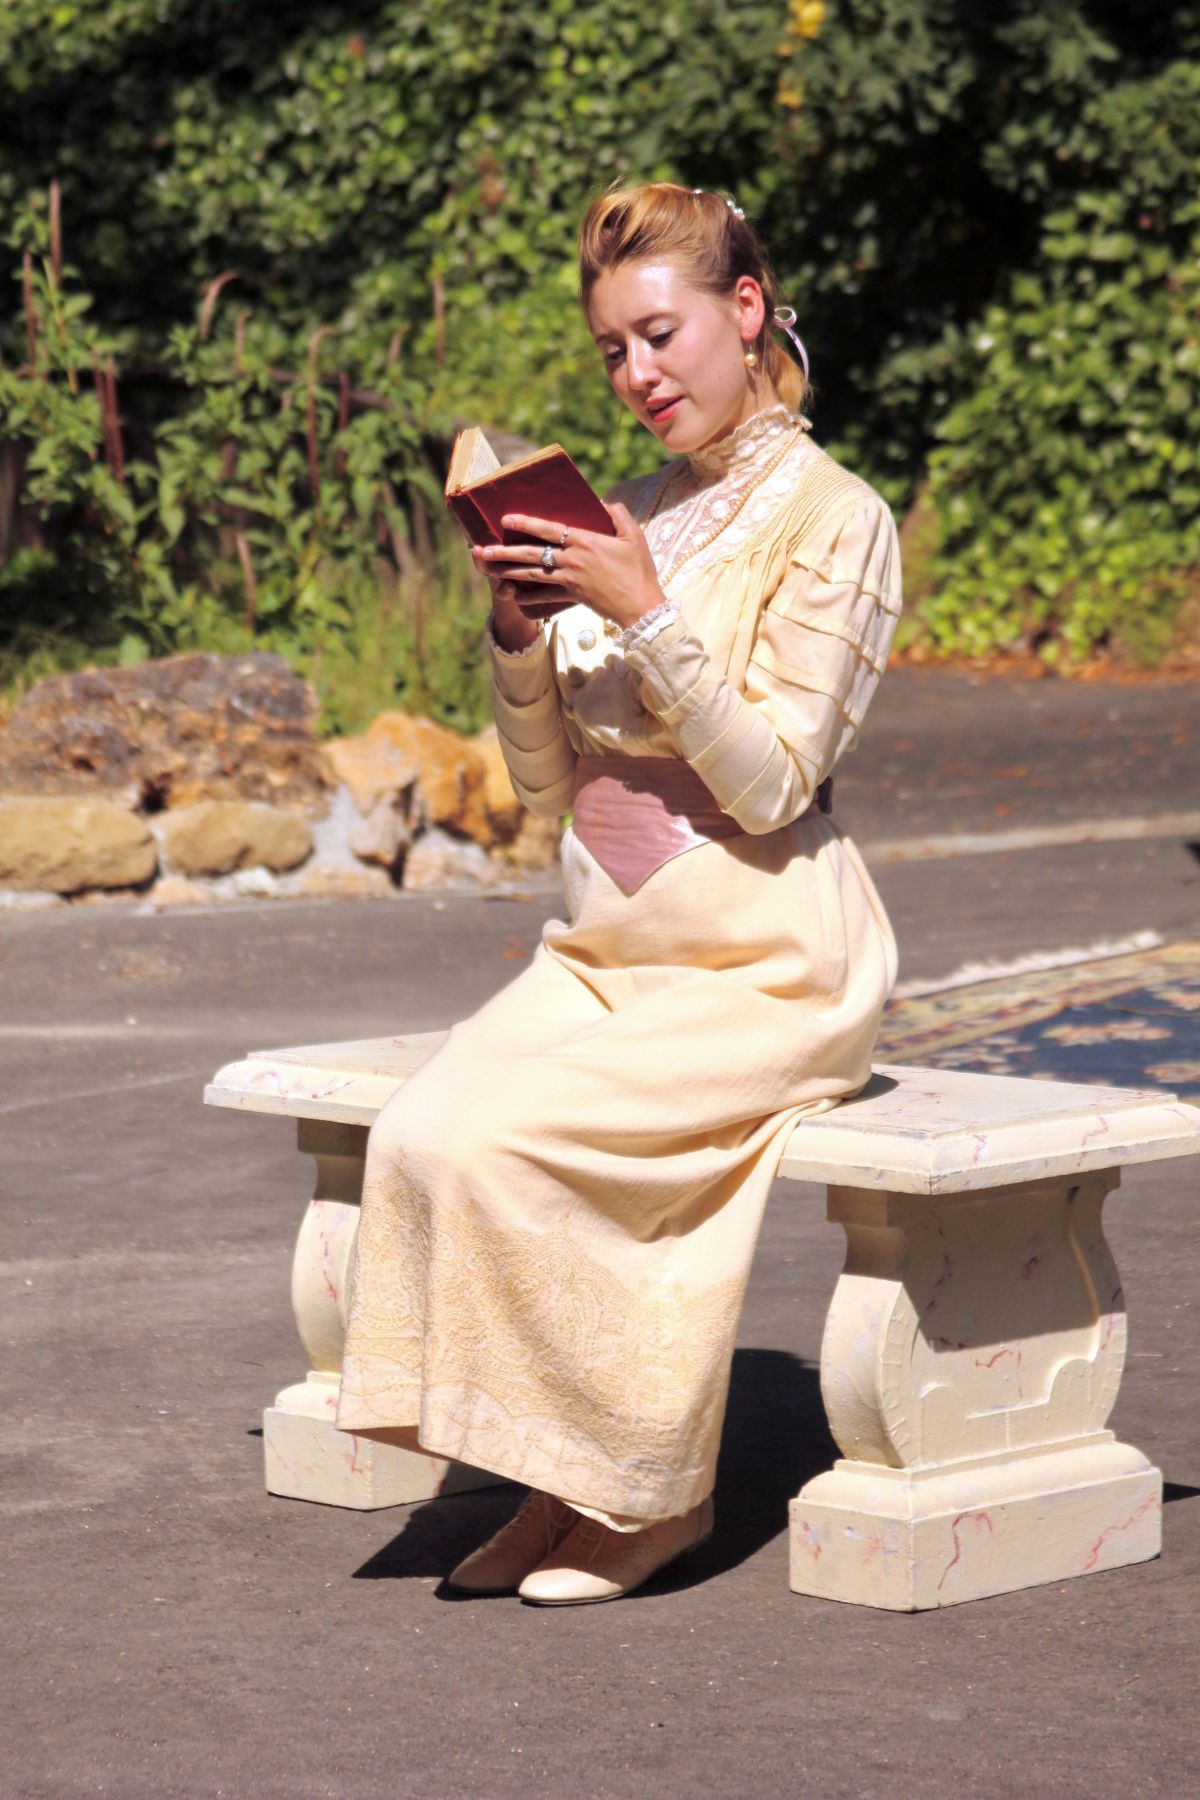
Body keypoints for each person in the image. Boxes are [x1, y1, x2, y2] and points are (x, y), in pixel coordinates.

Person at [335, 180, 901, 1606]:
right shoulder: (621, 512)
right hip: (603, 948)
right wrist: (518, 633)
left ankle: (648, 1494)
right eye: (611, 350)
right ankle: (552, 1481)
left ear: (746, 311)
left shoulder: (840, 519)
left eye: (660, 335)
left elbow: (772, 785)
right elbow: (547, 787)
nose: (637, 374)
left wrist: (645, 610)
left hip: (767, 962)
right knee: (421, 1134)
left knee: (508, 1142)